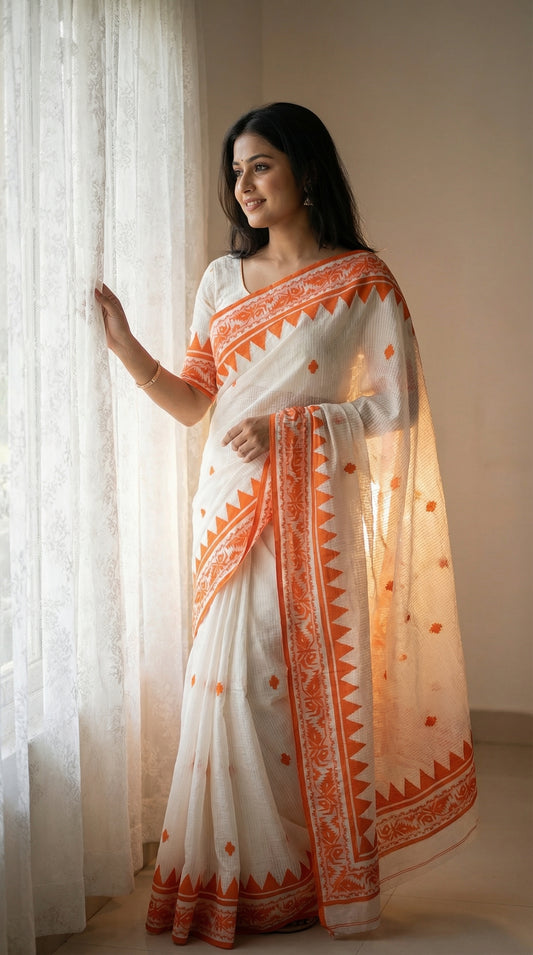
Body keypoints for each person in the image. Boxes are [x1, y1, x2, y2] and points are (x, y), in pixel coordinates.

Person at [95, 102, 478, 949]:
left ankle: (309, 878)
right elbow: (197, 402)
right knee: (229, 691)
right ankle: (237, 881)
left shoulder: (360, 279)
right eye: (236, 170)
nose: (243, 185)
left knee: (290, 688)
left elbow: (393, 405)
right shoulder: (219, 281)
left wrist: (292, 427)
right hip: (230, 508)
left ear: (304, 169)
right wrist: (128, 350)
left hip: (314, 514)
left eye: (260, 165)